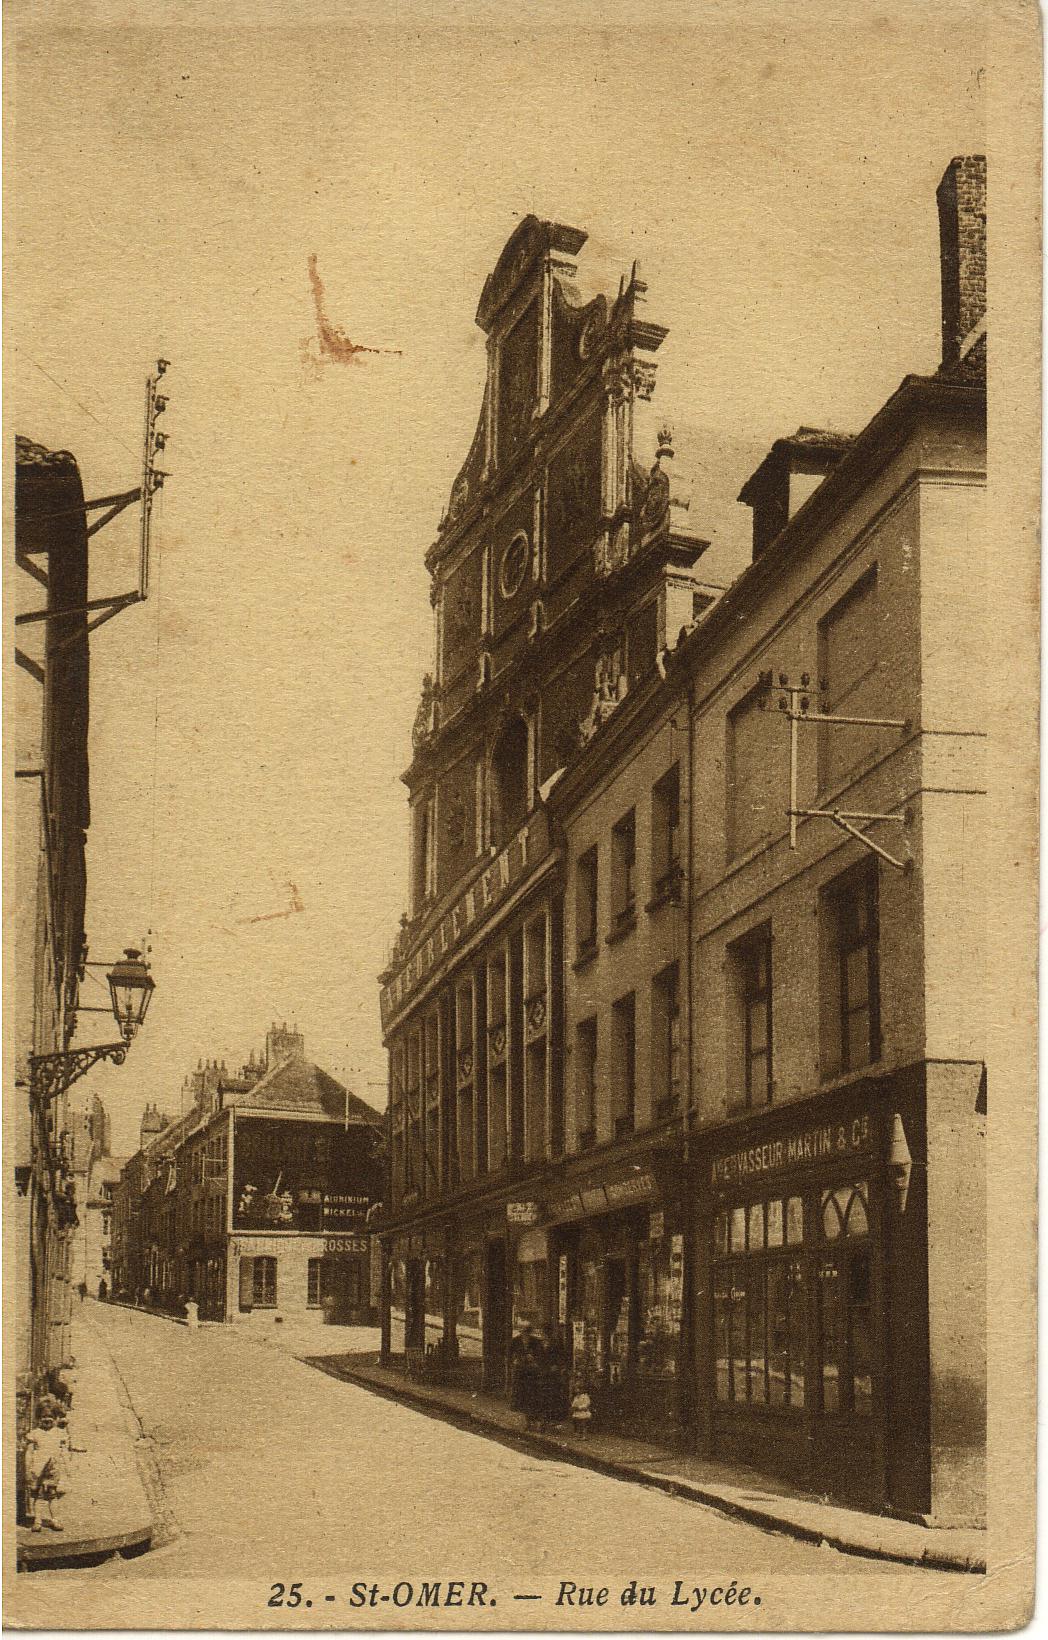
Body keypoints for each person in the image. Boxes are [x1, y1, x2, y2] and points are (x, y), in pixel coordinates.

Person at [24, 1397, 69, 1533]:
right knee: (37, 1495)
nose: (47, 1419)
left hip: (53, 1470)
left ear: (55, 1417)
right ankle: (37, 1520)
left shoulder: (59, 1433)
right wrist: (28, 1469)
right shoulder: (35, 1434)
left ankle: (55, 1519)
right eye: (43, 1417)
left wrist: (66, 1467)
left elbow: (63, 1452)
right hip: (37, 1470)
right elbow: (29, 1452)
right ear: (38, 1418)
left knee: (52, 1495)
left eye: (50, 1416)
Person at [508, 1319, 547, 1432]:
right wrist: (515, 1361)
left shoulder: (536, 1342)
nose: (525, 1334)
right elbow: (510, 1354)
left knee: (533, 1397)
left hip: (533, 1373)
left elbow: (541, 1356)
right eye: (523, 1331)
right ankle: (528, 1422)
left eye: (527, 1331)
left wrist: (534, 1359)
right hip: (521, 1373)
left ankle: (535, 1421)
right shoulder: (516, 1341)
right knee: (523, 1398)